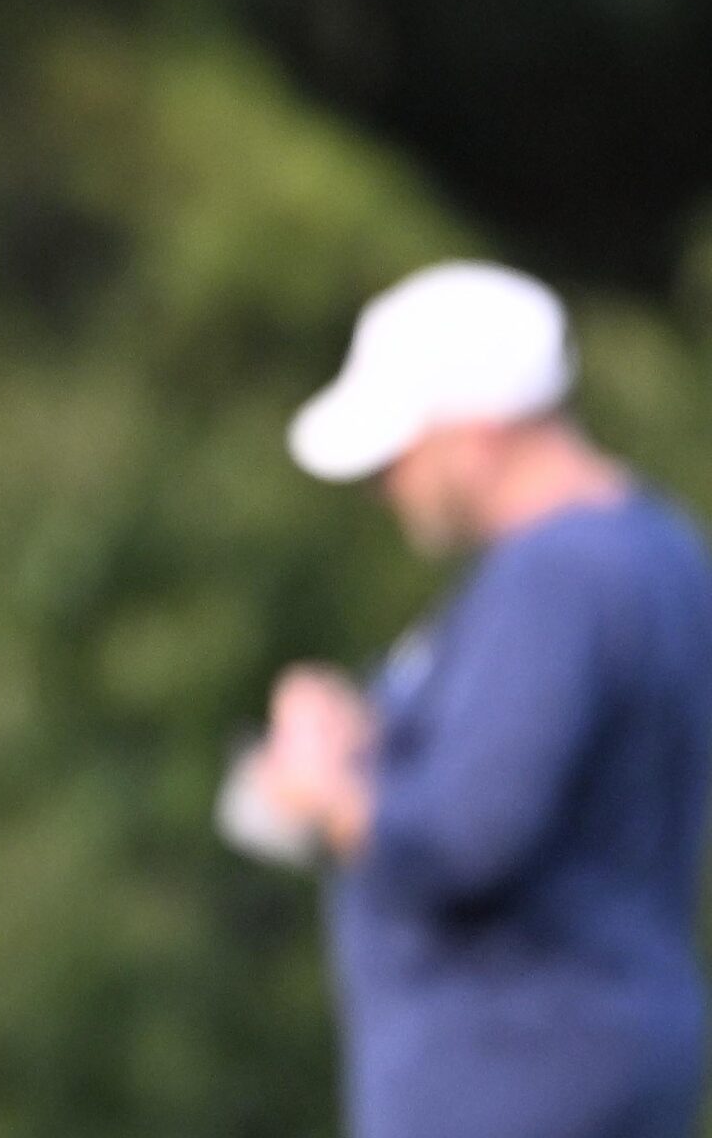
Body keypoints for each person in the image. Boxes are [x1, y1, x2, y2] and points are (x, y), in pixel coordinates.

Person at [238, 260, 712, 1138]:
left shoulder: (552, 576)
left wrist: (325, 785)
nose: (386, 484)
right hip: (620, 1048)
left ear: (479, 430)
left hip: (511, 1073)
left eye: (400, 452)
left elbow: (466, 838)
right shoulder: (662, 547)